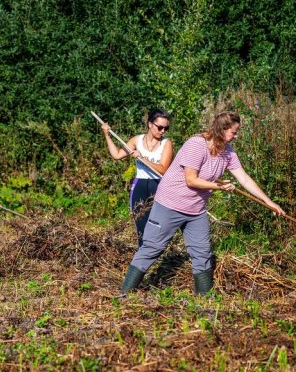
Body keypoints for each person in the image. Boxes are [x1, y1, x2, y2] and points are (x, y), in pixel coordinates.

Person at [119, 111, 286, 295]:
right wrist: (219, 187)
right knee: (152, 247)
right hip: (170, 203)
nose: (236, 136)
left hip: (196, 209)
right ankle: (124, 294)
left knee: (202, 253)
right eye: (234, 132)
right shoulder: (196, 144)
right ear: (222, 130)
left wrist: (270, 203)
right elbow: (191, 180)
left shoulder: (228, 153)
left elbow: (244, 179)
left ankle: (203, 300)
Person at [101, 109, 173, 246]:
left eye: (166, 128)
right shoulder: (137, 140)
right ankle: (142, 263)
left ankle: (155, 254)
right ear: (150, 124)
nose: (163, 131)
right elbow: (116, 155)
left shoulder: (166, 143)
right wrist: (107, 136)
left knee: (157, 227)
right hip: (140, 185)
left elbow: (163, 169)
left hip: (157, 185)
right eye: (160, 127)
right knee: (141, 227)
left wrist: (142, 158)